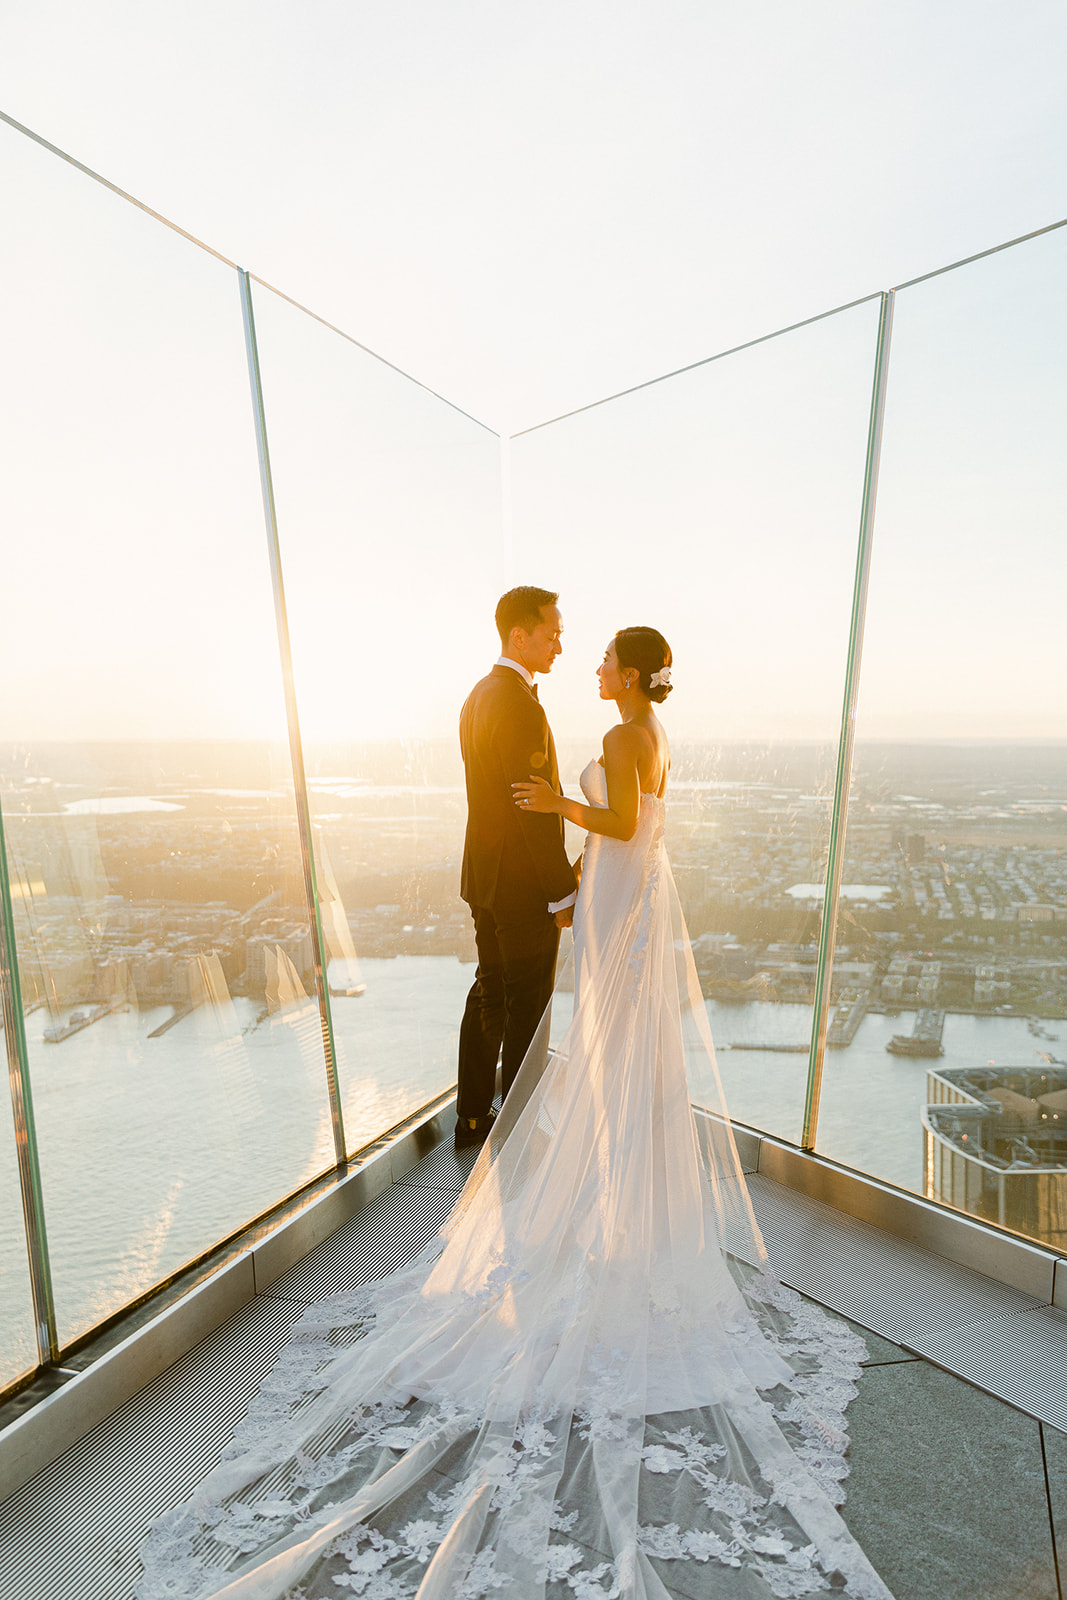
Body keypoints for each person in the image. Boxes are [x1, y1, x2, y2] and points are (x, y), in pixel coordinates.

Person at [138, 627, 894, 1600]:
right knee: (624, 1068)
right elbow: (633, 831)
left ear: (625, 670)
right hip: (624, 895)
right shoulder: (647, 728)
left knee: (611, 1060)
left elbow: (618, 821)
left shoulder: (624, 740)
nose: (589, 666)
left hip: (619, 885)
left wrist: (553, 804)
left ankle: (599, 1223)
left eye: (602, 659)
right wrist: (578, 875)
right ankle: (627, 1224)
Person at [454, 587, 578, 1151]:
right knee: (527, 1007)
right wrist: (562, 890)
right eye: (551, 632)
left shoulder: (478, 696)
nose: (559, 643)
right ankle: (521, 1132)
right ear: (517, 635)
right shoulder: (518, 705)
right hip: (521, 887)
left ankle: (473, 1119)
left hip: (484, 877)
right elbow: (532, 810)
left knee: (489, 993)